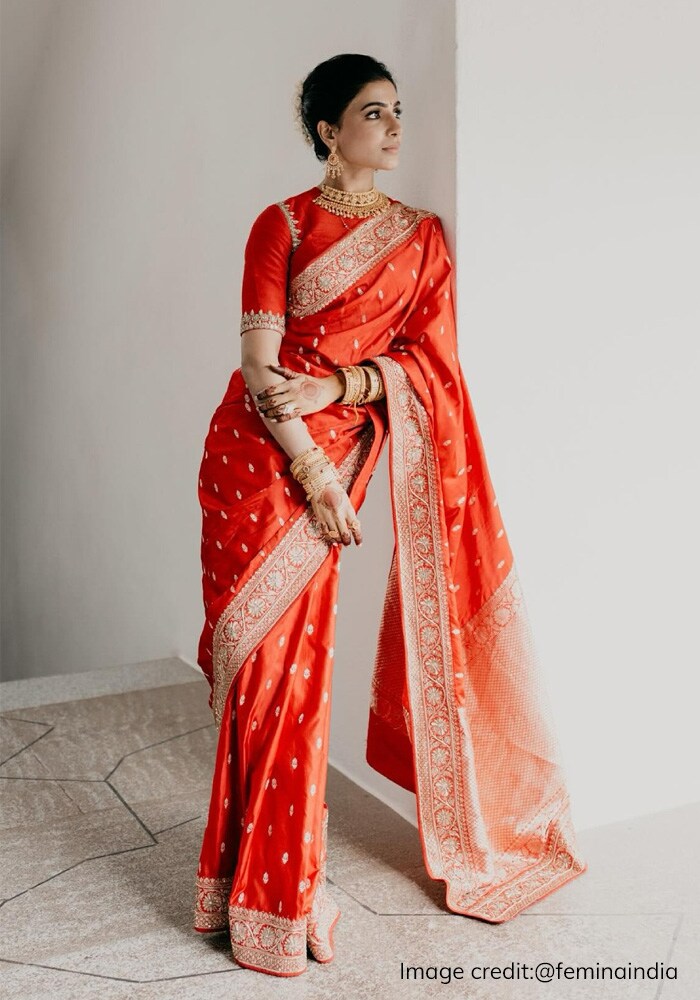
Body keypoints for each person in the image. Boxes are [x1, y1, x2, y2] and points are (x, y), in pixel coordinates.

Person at [191, 53, 587, 978]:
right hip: (260, 465)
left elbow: (429, 370)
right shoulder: (283, 223)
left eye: (398, 109)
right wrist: (314, 476)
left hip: (338, 454)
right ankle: (254, 889)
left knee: (298, 683)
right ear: (329, 131)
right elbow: (258, 368)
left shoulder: (420, 240)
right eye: (374, 113)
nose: (396, 125)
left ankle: (279, 894)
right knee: (261, 682)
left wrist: (340, 388)